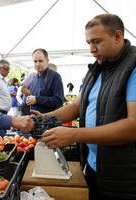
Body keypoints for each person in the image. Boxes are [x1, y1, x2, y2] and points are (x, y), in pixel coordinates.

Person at [35, 14, 136, 200]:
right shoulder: (97, 68)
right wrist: (43, 118)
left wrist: (74, 134)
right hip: (93, 168)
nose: (91, 48)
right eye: (89, 42)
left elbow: (133, 126)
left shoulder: (133, 66)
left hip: (123, 178)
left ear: (118, 36)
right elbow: (76, 106)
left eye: (97, 41)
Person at [26, 48, 64, 113]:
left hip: (48, 120)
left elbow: (59, 101)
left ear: (47, 60)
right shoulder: (35, 77)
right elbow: (34, 95)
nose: (37, 64)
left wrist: (37, 99)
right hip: (35, 118)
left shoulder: (55, 76)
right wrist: (29, 99)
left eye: (40, 61)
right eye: (35, 61)